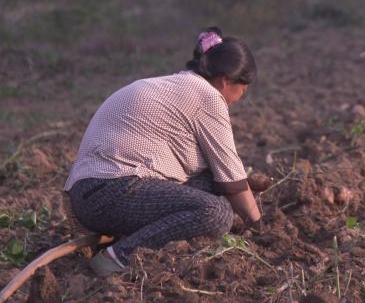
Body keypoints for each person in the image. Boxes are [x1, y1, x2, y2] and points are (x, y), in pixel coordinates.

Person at [64, 27, 262, 276]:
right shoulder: (208, 96)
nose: (239, 99)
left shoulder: (178, 85)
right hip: (111, 190)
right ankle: (117, 258)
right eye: (242, 90)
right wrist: (259, 227)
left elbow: (219, 178)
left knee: (210, 184)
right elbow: (232, 179)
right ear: (226, 81)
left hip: (91, 193)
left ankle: (122, 242)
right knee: (216, 213)